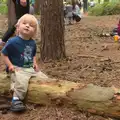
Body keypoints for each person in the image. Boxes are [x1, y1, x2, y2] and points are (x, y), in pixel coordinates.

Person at [1, 14, 48, 112]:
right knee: (21, 82)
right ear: (18, 27)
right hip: (17, 68)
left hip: (29, 68)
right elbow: (4, 54)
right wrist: (10, 65)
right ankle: (16, 100)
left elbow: (33, 55)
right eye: (24, 23)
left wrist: (35, 63)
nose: (27, 26)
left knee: (44, 78)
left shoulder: (32, 43)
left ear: (34, 31)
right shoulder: (12, 41)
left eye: (31, 25)